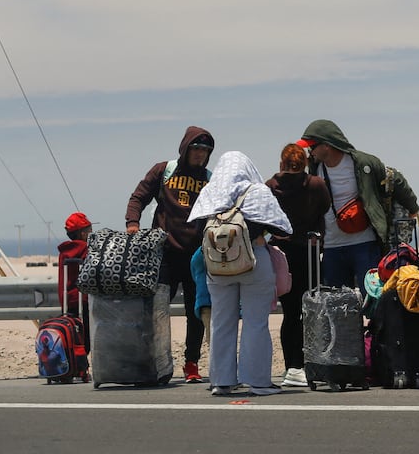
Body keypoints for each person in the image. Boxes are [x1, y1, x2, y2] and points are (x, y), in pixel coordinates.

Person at [188, 150, 293, 397]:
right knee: (255, 323)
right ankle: (257, 382)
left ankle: (222, 381)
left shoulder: (210, 192)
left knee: (221, 323)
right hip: (253, 260)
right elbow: (282, 228)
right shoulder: (257, 191)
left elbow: (196, 226)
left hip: (216, 266)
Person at [125, 125, 215, 384]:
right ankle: (157, 362)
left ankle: (191, 363)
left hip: (196, 255)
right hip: (163, 254)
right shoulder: (164, 170)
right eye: (197, 148)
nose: (200, 154)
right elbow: (138, 196)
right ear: (186, 147)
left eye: (206, 150)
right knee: (158, 311)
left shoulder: (209, 178)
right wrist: (133, 222)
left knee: (195, 312)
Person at [300, 120, 406, 293]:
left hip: (364, 244)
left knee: (373, 298)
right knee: (338, 306)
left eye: (312, 146)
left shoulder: (363, 163)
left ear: (326, 145)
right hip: (331, 247)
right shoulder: (315, 169)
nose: (309, 151)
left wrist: (413, 207)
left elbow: (395, 179)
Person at [265, 142, 331, 388]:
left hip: (282, 254)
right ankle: (309, 363)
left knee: (290, 313)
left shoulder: (271, 186)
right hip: (310, 251)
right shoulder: (315, 184)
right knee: (312, 310)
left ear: (282, 162)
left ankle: (291, 366)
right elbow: (325, 208)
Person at [57, 212, 92, 349]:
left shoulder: (64, 251)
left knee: (73, 337)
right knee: (86, 338)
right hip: (82, 300)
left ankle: (75, 366)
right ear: (83, 234)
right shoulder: (85, 249)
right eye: (90, 231)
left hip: (67, 300)